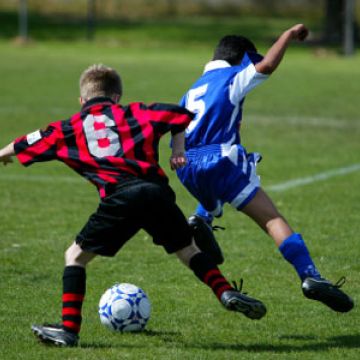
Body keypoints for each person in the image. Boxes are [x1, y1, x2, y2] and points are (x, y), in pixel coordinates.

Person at [0, 64, 268, 347]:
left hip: (120, 197)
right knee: (188, 249)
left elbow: (28, 140)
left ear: (82, 101)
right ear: (117, 97)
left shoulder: (69, 127)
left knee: (75, 256)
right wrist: (178, 149)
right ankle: (224, 291)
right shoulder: (136, 111)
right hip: (155, 192)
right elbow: (180, 116)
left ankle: (68, 329)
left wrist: (3, 153)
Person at [176, 24, 354, 313]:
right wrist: (288, 34)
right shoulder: (232, 77)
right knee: (272, 218)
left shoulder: (193, 88)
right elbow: (268, 64)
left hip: (186, 166)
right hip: (218, 160)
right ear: (242, 58)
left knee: (219, 177)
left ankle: (201, 217)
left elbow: (178, 128)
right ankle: (310, 276)